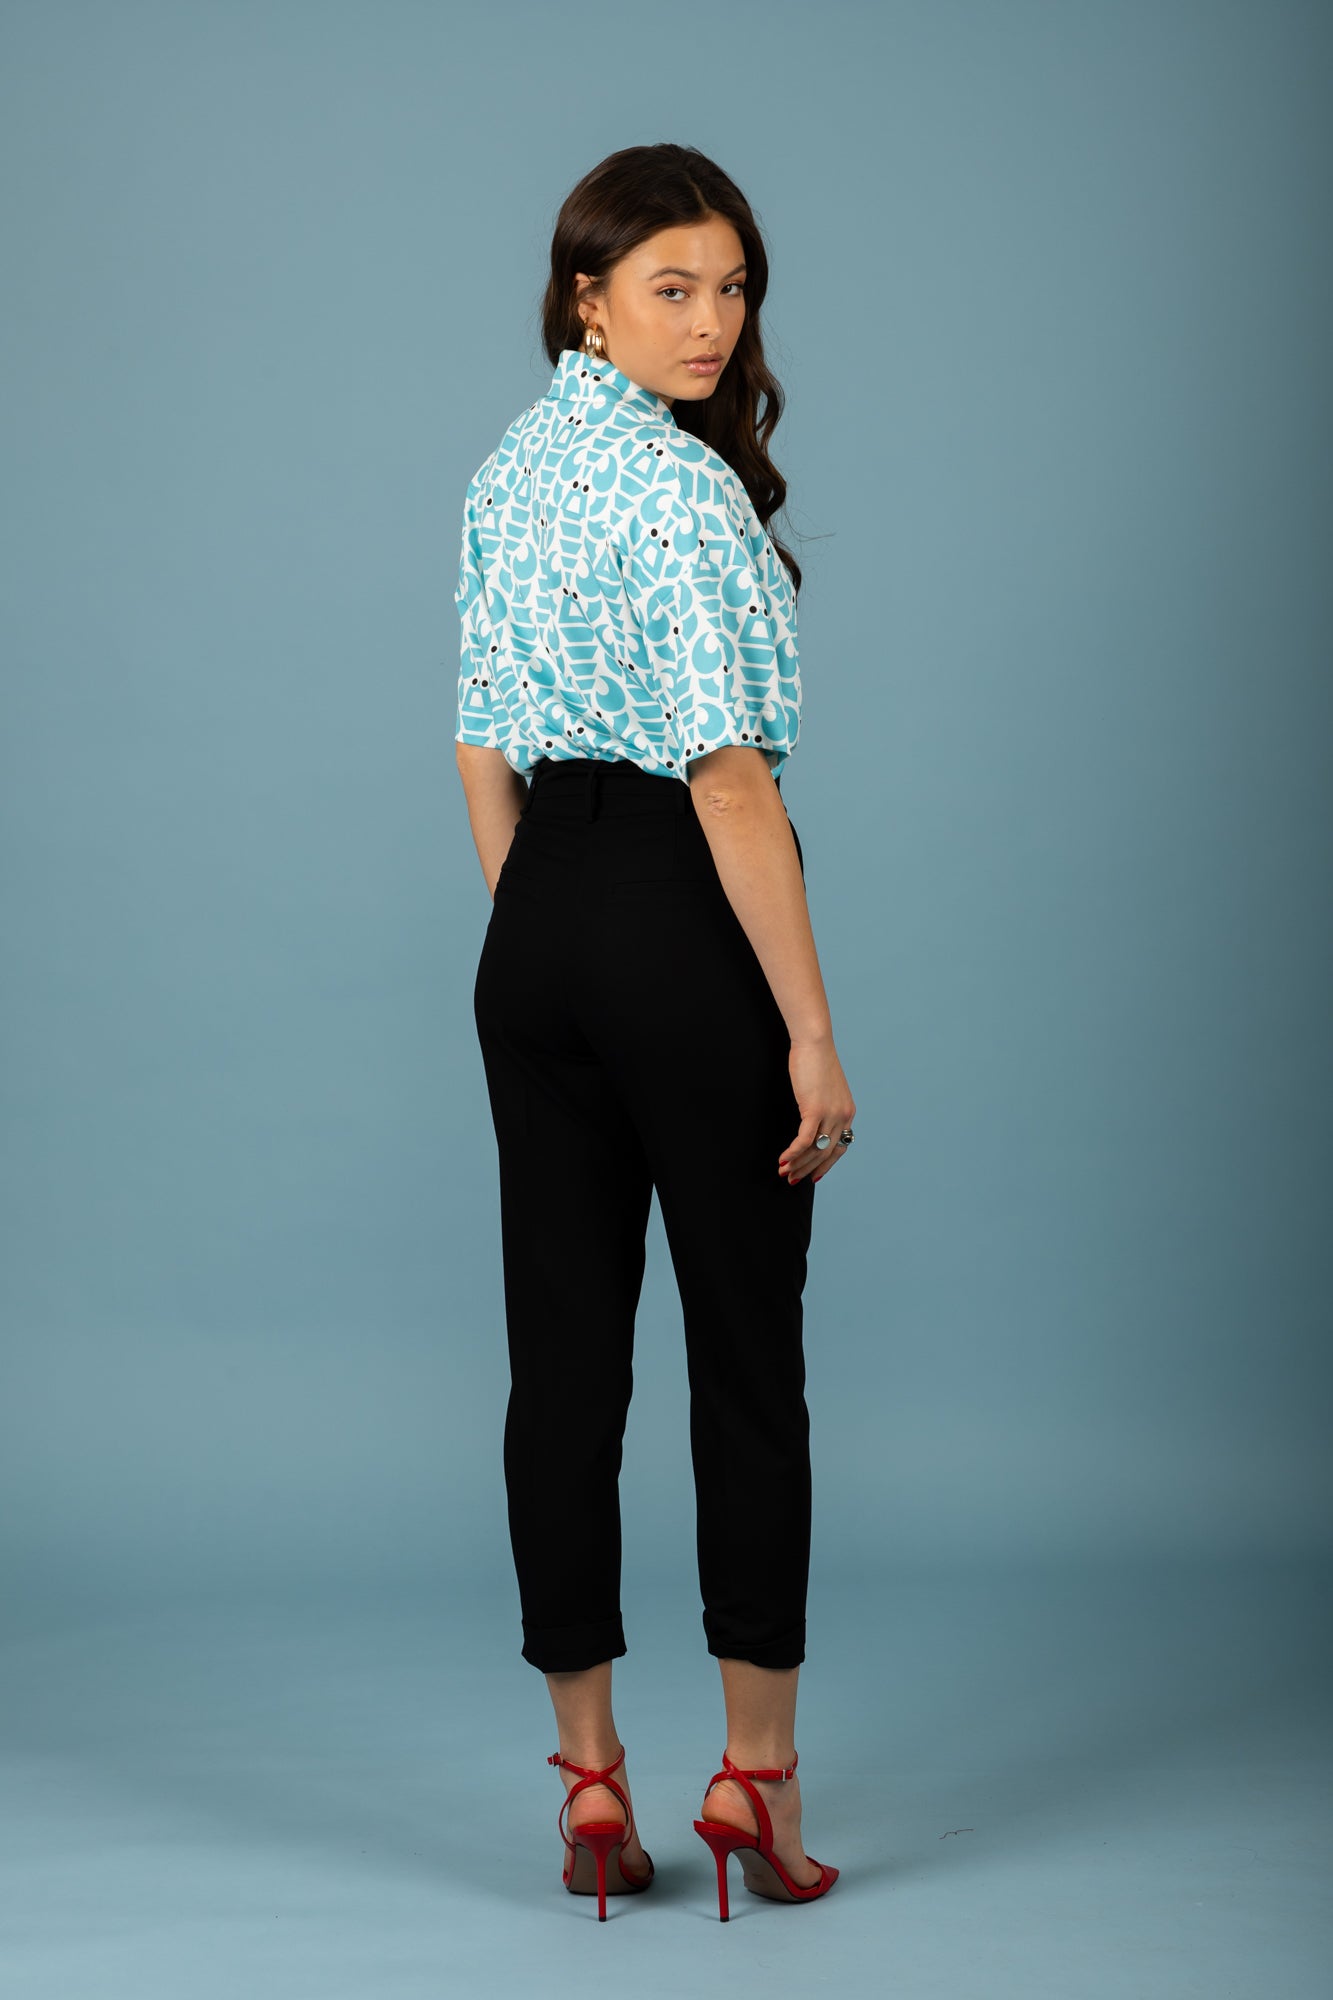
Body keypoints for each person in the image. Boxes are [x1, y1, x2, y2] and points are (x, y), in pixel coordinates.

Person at [452, 143, 857, 1922]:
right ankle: (753, 1781)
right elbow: (729, 782)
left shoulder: (510, 467)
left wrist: (547, 933)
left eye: (731, 286)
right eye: (670, 287)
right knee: (745, 1365)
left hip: (536, 922)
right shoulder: (683, 496)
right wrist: (808, 1033)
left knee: (562, 1363)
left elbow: (479, 741)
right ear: (587, 300)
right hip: (683, 923)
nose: (710, 322)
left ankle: (589, 1779)